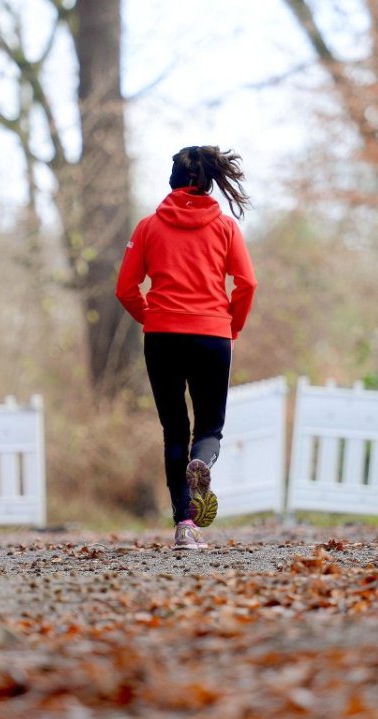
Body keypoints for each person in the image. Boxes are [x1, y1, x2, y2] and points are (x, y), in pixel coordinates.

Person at [116, 145, 257, 550]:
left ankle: (184, 526)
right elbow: (246, 284)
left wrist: (151, 318)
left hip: (162, 337)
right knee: (209, 427)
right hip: (212, 335)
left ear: (172, 181)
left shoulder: (147, 227)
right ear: (210, 182)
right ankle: (203, 463)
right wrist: (232, 326)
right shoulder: (226, 228)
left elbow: (125, 288)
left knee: (174, 429)